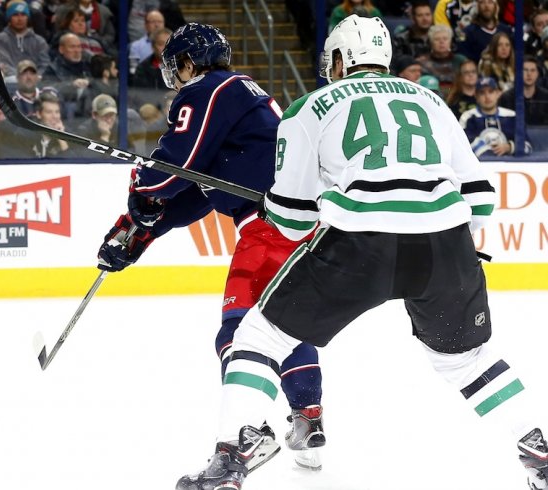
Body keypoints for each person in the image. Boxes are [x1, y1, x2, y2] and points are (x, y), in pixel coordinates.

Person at [176, 16, 548, 490]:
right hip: (446, 243)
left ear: (339, 59)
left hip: (358, 242)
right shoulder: (432, 100)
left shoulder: (308, 107)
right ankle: (541, 453)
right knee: (467, 361)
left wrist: (285, 206)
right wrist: (442, 234)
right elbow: (479, 198)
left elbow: (290, 219)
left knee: (258, 338)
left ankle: (232, 456)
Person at [97, 23, 326, 475]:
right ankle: (308, 416)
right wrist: (138, 231)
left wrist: (142, 192)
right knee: (281, 324)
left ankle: (247, 431)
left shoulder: (206, 89)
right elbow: (195, 191)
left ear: (188, 62)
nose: (175, 77)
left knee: (240, 334)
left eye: (175, 66)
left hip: (269, 227)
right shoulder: (238, 102)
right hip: (298, 225)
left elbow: (174, 165)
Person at [460, 76, 532, 157]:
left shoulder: (512, 116)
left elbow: (527, 145)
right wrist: (490, 153)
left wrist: (509, 147)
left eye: (491, 92)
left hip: (510, 165)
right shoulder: (468, 117)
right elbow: (463, 145)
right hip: (480, 165)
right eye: (482, 93)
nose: (487, 97)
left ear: (498, 93)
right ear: (476, 96)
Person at [498, 55, 548, 125]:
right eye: (525, 70)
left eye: (533, 70)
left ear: (538, 74)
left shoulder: (545, 97)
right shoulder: (506, 98)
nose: (529, 74)